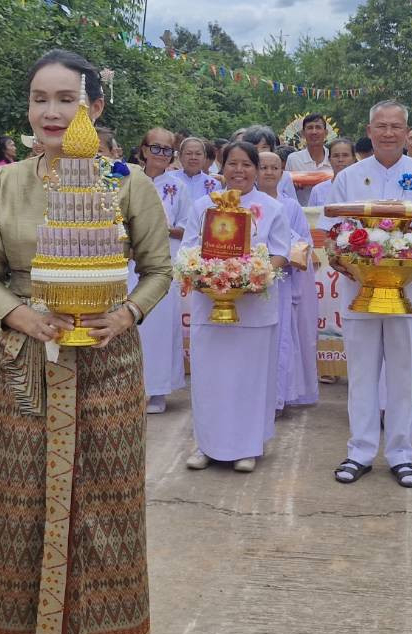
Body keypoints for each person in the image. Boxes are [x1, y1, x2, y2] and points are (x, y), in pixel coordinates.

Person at [0, 48, 171, 634]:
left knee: (97, 517)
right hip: (27, 364)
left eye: (66, 99)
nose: (51, 112)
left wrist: (129, 314)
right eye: (38, 98)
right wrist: (21, 316)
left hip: (108, 367)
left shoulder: (128, 184)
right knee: (27, 521)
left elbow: (158, 267)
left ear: (95, 107)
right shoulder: (7, 185)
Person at [324, 101, 412, 489]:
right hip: (359, 290)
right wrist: (340, 261)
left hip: (411, 292)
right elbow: (333, 232)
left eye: (395, 126)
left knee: (404, 376)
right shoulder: (349, 176)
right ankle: (360, 451)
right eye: (381, 126)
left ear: (406, 131)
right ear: (369, 130)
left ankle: (401, 454)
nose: (387, 133)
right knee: (363, 374)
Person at [182, 142, 298, 473]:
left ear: (257, 170)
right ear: (222, 167)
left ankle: (247, 446)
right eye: (232, 163)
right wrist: (210, 274)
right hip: (209, 305)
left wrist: (251, 276)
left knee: (250, 379)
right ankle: (206, 445)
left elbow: (280, 252)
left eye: (247, 164)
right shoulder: (203, 207)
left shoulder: (271, 207)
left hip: (254, 308)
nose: (239, 170)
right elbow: (189, 249)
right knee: (209, 379)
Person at [259, 151, 319, 413]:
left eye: (275, 168)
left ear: (282, 172)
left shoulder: (291, 206)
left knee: (283, 338)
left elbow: (304, 243)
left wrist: (287, 248)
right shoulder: (248, 203)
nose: (270, 172)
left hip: (282, 280)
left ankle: (279, 398)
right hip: (252, 281)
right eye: (264, 167)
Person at [134, 128, 189, 415]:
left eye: (167, 150)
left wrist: (163, 227)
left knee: (160, 329)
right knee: (132, 326)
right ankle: (131, 388)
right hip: (129, 263)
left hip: (164, 262)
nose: (161, 155)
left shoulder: (178, 186)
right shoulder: (127, 180)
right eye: (156, 148)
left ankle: (157, 390)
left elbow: (189, 227)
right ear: (143, 150)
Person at [239, 126, 298, 201]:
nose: (259, 151)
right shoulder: (242, 173)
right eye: (254, 147)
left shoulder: (284, 176)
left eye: (264, 147)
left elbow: (292, 204)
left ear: (271, 149)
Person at [285, 112, 332, 204]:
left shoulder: (334, 158)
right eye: (310, 128)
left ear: (326, 133)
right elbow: (286, 191)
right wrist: (293, 186)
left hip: (330, 213)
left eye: (318, 127)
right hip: (302, 213)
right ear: (303, 133)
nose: (314, 132)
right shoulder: (293, 159)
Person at [306, 137, 355, 210]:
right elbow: (312, 218)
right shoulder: (318, 191)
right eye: (336, 156)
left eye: (345, 155)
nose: (340, 160)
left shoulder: (362, 187)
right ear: (329, 159)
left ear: (353, 158)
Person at [178, 136, 223, 210]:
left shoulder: (215, 185)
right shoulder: (170, 179)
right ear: (180, 156)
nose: (193, 157)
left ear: (204, 157)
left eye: (198, 154)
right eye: (188, 153)